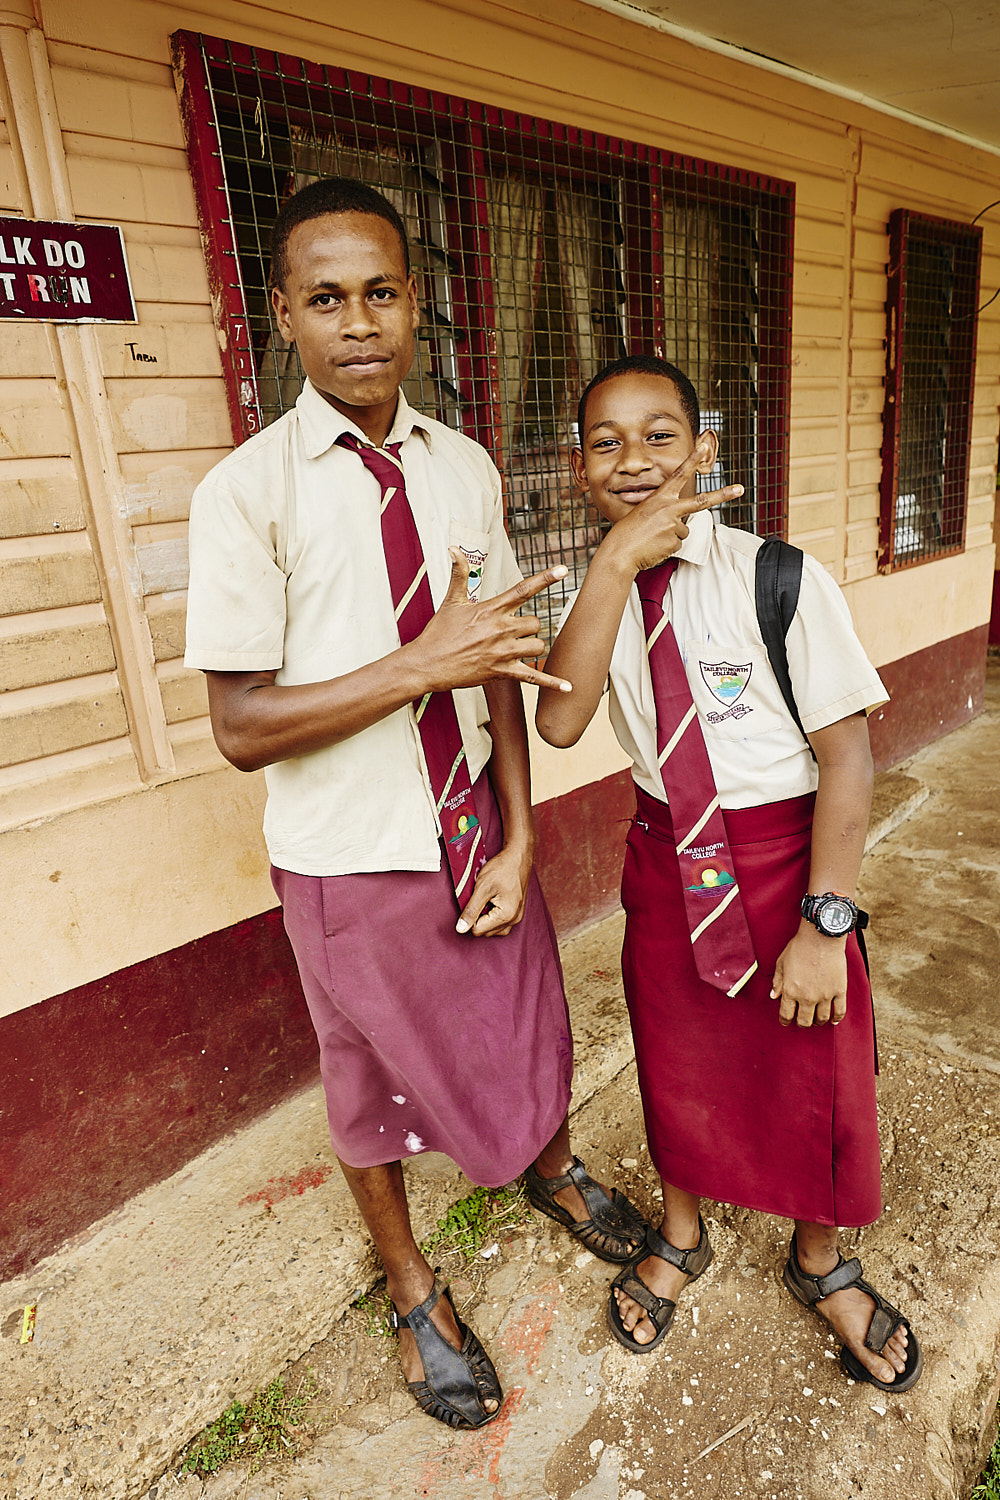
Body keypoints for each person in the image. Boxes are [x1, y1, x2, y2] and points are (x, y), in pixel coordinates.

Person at [184, 179, 648, 1433]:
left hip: (473, 828)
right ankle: (411, 1289)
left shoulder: (464, 469)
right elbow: (239, 727)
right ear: (282, 314)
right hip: (353, 856)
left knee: (519, 1017)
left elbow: (492, 660)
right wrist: (414, 666)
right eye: (325, 298)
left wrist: (525, 827)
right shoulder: (247, 494)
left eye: (381, 293)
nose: (358, 323)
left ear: (417, 303)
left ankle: (546, 1162)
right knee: (371, 1077)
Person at [535, 354, 922, 1393]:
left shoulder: (775, 577)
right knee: (679, 1060)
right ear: (578, 468)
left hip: (783, 861)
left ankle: (820, 1258)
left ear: (703, 451)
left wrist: (824, 923)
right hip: (668, 863)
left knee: (817, 1070)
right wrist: (613, 568)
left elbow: (846, 756)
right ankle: (680, 1231)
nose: (633, 459)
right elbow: (560, 720)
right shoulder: (600, 595)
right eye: (605, 442)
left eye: (659, 435)